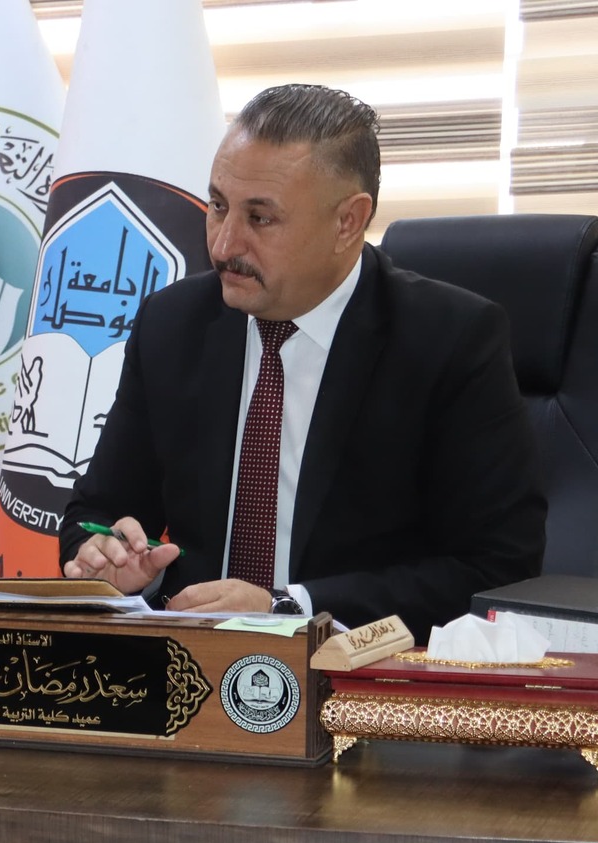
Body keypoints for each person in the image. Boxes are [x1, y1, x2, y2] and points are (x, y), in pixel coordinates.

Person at [59, 84, 545, 636]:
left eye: (260, 218)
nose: (223, 245)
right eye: (218, 206)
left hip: (357, 671)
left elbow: (498, 569)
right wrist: (111, 563)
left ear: (347, 222)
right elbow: (93, 514)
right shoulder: (171, 325)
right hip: (192, 661)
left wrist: (288, 606)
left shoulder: (449, 340)